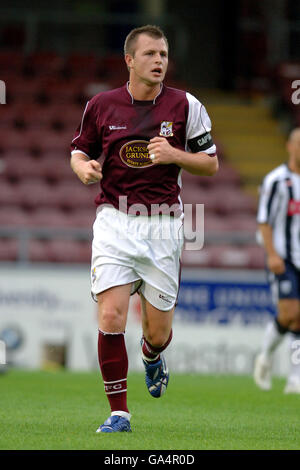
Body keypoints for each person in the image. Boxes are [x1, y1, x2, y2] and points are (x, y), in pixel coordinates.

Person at [70, 24, 218, 433]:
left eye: (164, 55)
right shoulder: (101, 105)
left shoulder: (187, 106)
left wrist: (175, 154)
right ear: (129, 60)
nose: (159, 62)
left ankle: (152, 356)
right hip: (115, 221)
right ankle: (119, 413)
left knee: (157, 331)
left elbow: (210, 163)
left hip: (164, 227)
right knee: (111, 314)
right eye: (150, 54)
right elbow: (80, 151)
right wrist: (83, 167)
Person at [254, 128, 300, 394]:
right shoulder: (277, 181)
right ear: (289, 146)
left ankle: (295, 378)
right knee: (290, 313)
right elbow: (264, 221)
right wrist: (272, 254)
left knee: (298, 319)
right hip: (284, 258)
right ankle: (265, 355)